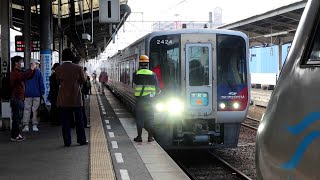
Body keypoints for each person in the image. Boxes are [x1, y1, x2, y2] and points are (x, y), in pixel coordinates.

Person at [55, 49, 87, 147]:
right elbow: (83, 80)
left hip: (63, 100)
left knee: (65, 122)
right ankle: (81, 140)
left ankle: (67, 142)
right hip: (76, 99)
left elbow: (58, 82)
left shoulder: (58, 69)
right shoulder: (78, 68)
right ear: (71, 57)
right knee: (79, 121)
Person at [132, 55, 160, 142]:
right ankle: (150, 137)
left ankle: (139, 137)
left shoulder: (136, 74)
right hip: (150, 101)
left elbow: (135, 82)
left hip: (140, 100)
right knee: (150, 119)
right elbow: (158, 89)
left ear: (140, 63)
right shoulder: (153, 74)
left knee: (140, 119)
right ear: (148, 64)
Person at [10, 56, 36, 141]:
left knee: (18, 117)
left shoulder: (19, 72)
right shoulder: (14, 72)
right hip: (16, 97)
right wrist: (31, 69)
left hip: (19, 97)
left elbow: (27, 76)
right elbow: (22, 76)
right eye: (21, 61)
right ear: (16, 63)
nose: (22, 63)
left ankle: (16, 134)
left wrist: (32, 70)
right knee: (17, 118)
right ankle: (15, 135)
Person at [22, 59, 45, 132]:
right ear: (34, 64)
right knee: (35, 110)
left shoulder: (26, 73)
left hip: (27, 94)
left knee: (26, 109)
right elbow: (41, 84)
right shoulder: (38, 73)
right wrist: (42, 92)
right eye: (37, 64)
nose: (38, 65)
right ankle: (34, 125)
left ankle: (26, 125)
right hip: (36, 95)